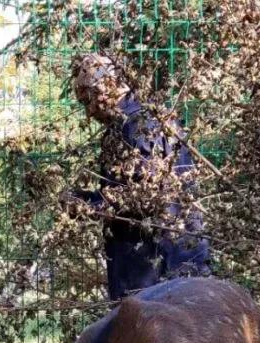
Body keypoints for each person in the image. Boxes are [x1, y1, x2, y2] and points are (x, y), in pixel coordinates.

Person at [64, 54, 210, 300]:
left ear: (108, 85)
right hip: (179, 264)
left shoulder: (135, 125)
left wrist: (86, 205)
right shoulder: (150, 118)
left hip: (157, 273)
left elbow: (143, 198)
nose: (89, 112)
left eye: (89, 99)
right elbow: (144, 190)